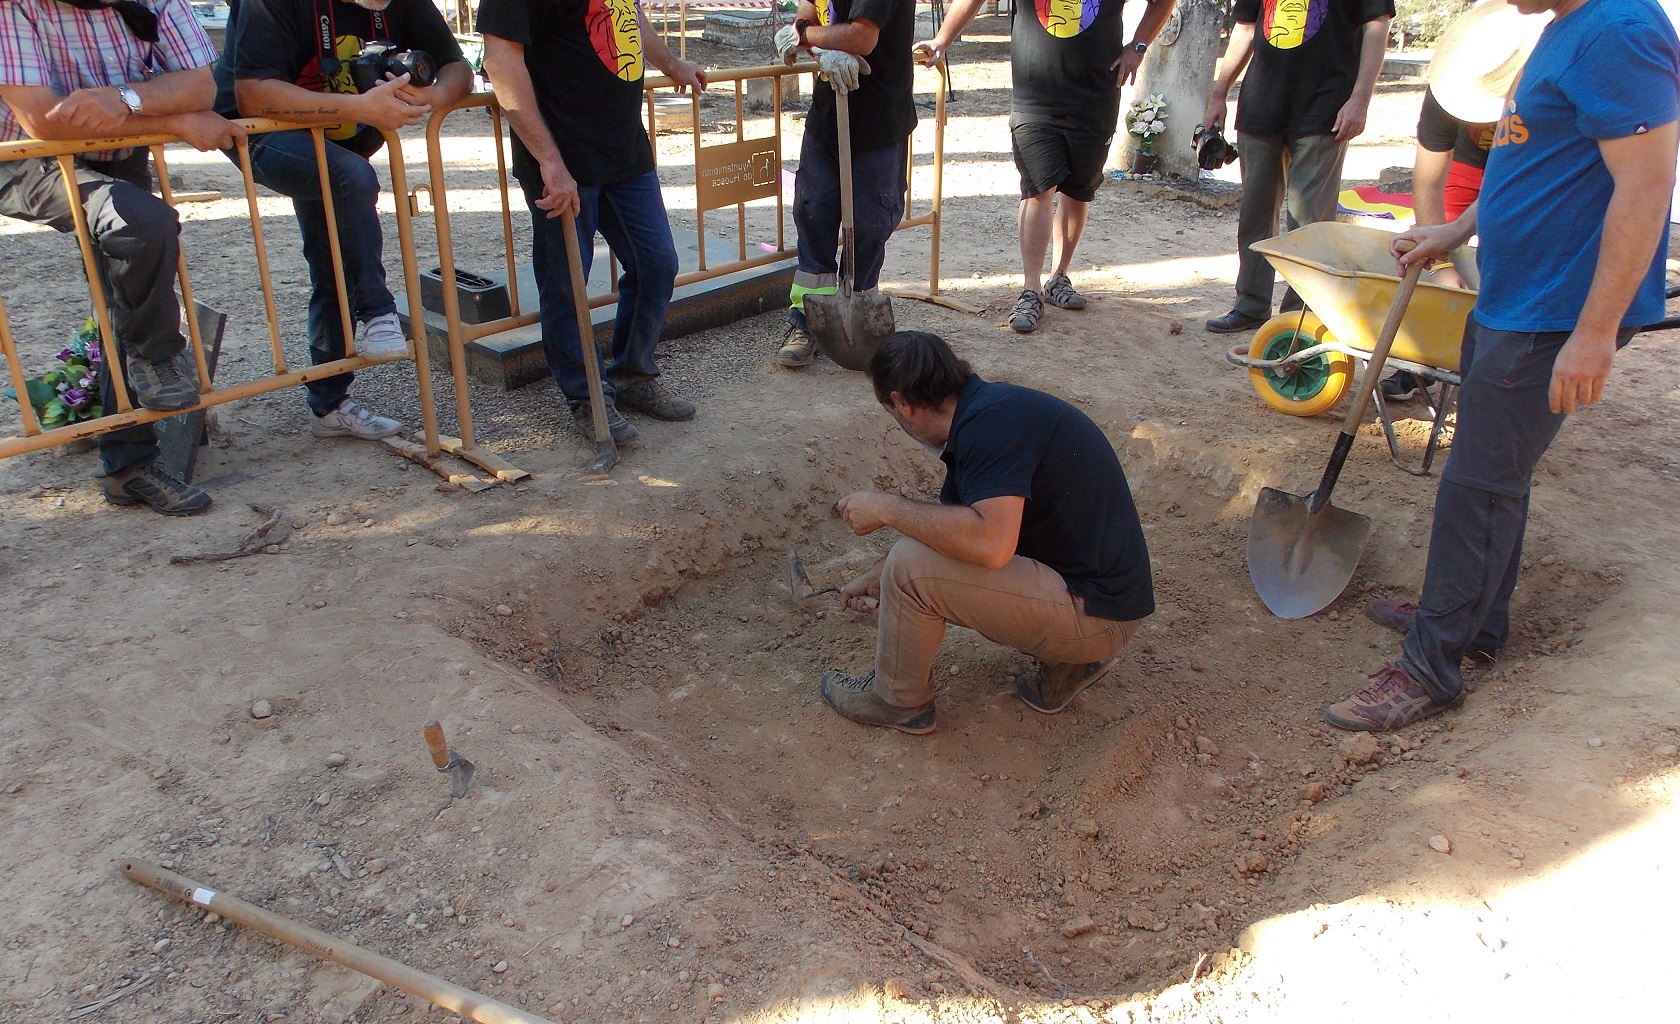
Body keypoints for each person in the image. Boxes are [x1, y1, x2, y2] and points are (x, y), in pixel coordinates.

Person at [1326, 0, 1679, 733]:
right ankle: (1476, 623)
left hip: (1555, 312)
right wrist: (1454, 229)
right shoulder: (1559, 30)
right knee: (1490, 476)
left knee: (1477, 486)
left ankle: (1432, 666)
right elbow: (1533, 160)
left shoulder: (1620, 32)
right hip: (1514, 299)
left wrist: (1595, 330)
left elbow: (1646, 188)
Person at [816, 331, 1155, 734]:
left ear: (903, 405)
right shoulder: (989, 412)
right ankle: (1071, 665)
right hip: (1104, 603)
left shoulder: (988, 426)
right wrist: (877, 577)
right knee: (907, 562)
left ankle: (897, 701)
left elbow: (990, 546)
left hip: (1099, 618)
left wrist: (887, 508)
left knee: (910, 567)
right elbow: (948, 535)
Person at [0, 0, 246, 515]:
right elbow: (44, 121)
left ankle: (129, 466)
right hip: (23, 157)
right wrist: (175, 116)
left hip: (118, 149)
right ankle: (156, 356)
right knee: (143, 224)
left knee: (124, 293)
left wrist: (127, 99)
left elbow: (202, 85)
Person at [218, 0, 473, 441]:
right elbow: (254, 92)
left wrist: (431, 95)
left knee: (331, 263)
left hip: (343, 140)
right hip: (262, 131)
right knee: (352, 179)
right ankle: (379, 312)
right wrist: (359, 108)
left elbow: (459, 68)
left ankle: (329, 406)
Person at [479, 0, 705, 441]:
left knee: (657, 264)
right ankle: (587, 398)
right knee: (566, 284)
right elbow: (501, 58)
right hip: (562, 159)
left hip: (623, 149)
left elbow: (627, 16)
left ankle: (633, 376)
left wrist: (672, 64)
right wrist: (547, 160)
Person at [919, 0, 1177, 334]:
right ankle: (1031, 290)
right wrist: (943, 39)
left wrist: (1139, 46)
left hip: (1096, 93)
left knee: (1079, 190)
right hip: (1035, 98)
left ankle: (1058, 278)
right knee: (1038, 187)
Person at [1382, 1, 1547, 403]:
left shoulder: (1546, 89)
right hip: (1468, 168)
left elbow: (1527, 187)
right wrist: (1440, 262)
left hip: (1529, 174)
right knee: (1426, 259)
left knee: (1504, 271)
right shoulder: (1449, 87)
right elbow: (1429, 181)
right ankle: (1422, 358)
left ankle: (1504, 367)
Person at [1203, 0, 1393, 335]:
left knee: (1309, 222)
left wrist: (1361, 99)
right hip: (1261, 105)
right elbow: (1245, 28)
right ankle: (1250, 303)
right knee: (1255, 215)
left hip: (1325, 108)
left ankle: (1300, 314)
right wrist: (1219, 93)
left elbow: (1376, 25)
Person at [772, 0, 917, 367]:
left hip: (879, 122)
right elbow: (811, 3)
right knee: (813, 213)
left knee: (869, 225)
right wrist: (805, 21)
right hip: (827, 117)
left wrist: (805, 37)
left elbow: (862, 36)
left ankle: (859, 315)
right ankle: (806, 320)